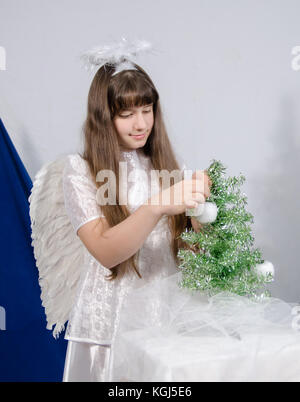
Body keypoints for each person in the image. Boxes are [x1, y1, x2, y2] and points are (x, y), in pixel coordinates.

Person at [56, 40, 212, 381]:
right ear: (104, 116)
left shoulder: (170, 167)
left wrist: (202, 213)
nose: (141, 124)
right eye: (126, 114)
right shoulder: (80, 170)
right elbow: (107, 251)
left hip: (164, 319)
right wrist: (157, 206)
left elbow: (192, 253)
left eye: (147, 110)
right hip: (109, 327)